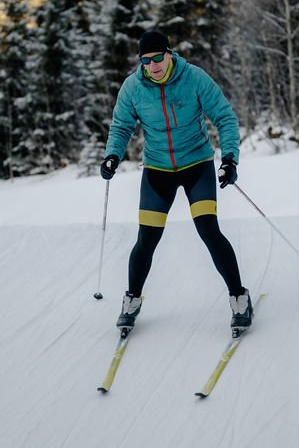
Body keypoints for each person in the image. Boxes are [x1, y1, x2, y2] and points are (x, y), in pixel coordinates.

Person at [101, 30, 252, 334]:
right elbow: (121, 126)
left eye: (158, 57)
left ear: (169, 53)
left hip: (197, 165)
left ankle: (239, 297)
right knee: (147, 238)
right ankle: (132, 299)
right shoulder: (133, 87)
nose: (153, 65)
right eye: (146, 60)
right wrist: (112, 156)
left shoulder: (193, 78)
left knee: (208, 230)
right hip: (157, 169)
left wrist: (229, 159)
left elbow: (224, 117)